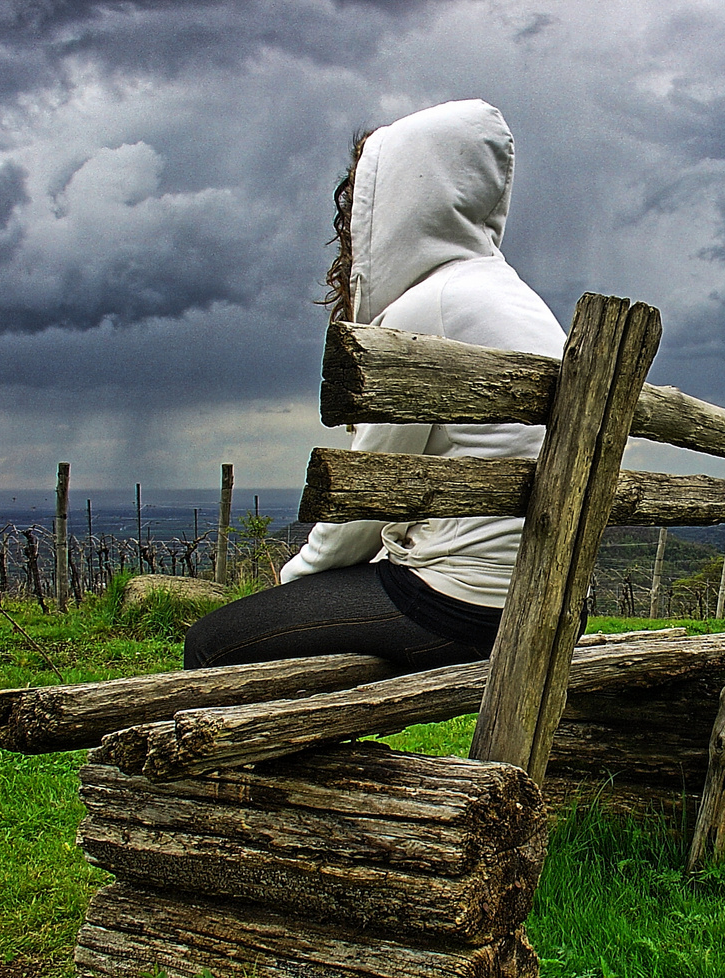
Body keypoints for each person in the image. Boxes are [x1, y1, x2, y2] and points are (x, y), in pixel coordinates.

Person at [184, 99, 567, 671]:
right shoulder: (511, 297)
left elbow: (370, 497)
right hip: (547, 592)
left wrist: (295, 580)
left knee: (214, 642)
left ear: (395, 203)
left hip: (463, 603)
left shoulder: (427, 308)